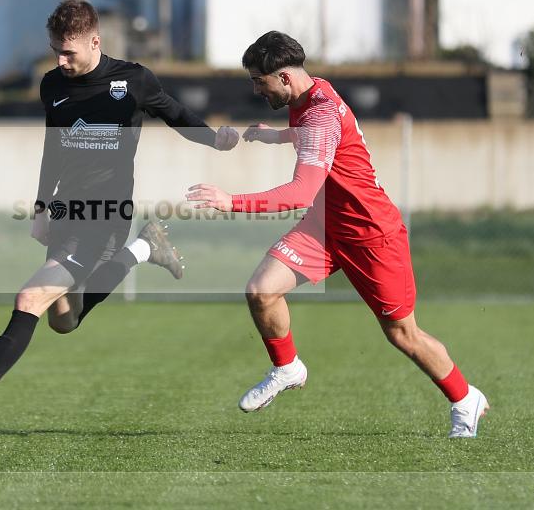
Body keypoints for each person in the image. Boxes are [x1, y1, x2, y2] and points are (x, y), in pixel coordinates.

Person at [0, 0, 239, 432]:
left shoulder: (132, 80)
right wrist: (42, 207)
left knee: (28, 299)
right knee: (63, 319)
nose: (61, 60)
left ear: (95, 41)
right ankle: (146, 247)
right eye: (55, 50)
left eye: (69, 52)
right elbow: (52, 148)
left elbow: (176, 115)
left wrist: (215, 139)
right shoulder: (52, 84)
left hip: (105, 215)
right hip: (65, 213)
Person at [186, 31, 488, 438]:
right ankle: (288, 367)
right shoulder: (310, 95)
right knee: (261, 290)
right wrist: (278, 136)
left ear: (285, 78)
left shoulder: (320, 113)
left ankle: (465, 398)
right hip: (326, 225)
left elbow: (299, 193)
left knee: (403, 334)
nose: (256, 89)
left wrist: (230, 201)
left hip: (371, 233)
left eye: (259, 81)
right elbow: (320, 141)